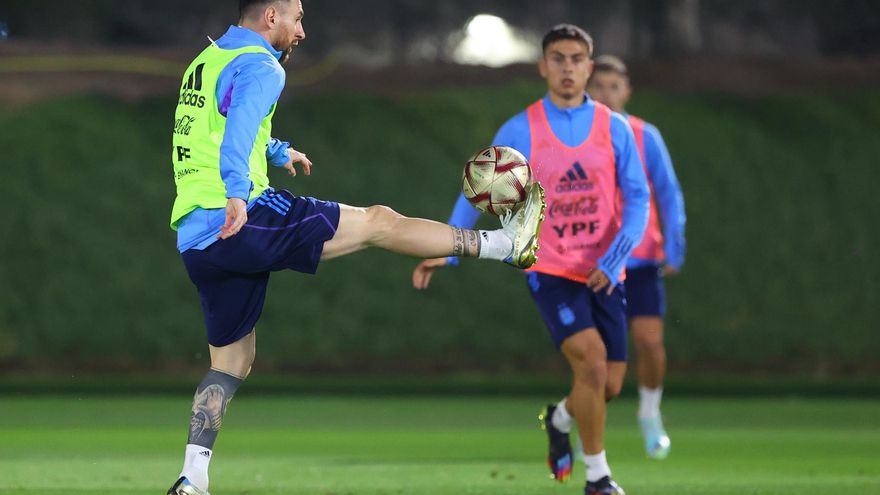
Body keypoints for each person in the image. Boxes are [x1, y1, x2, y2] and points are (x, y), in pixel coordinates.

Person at [165, 1, 544, 494]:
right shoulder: (263, 64)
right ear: (271, 16)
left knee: (231, 362)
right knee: (378, 222)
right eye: (297, 18)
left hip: (196, 236)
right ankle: (505, 244)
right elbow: (237, 131)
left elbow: (214, 124)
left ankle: (192, 480)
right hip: (241, 217)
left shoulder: (207, 59)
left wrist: (278, 151)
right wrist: (239, 192)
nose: (302, 31)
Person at [413, 24, 649, 495]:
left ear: (590, 65)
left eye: (576, 58)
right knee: (593, 363)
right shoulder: (521, 128)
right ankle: (599, 479)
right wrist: (446, 250)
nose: (567, 67)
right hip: (551, 267)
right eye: (558, 58)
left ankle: (559, 419)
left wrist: (615, 256)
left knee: (608, 386)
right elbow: (481, 188)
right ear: (543, 66)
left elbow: (639, 200)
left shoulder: (614, 127)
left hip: (605, 271)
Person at [587, 54, 686, 460]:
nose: (606, 93)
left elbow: (668, 191)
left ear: (627, 91)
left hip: (640, 258)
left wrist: (674, 246)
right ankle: (587, 431)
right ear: (587, 89)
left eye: (614, 86)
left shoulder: (646, 135)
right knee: (593, 353)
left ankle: (649, 413)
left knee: (648, 341)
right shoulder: (577, 136)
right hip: (592, 260)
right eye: (599, 86)